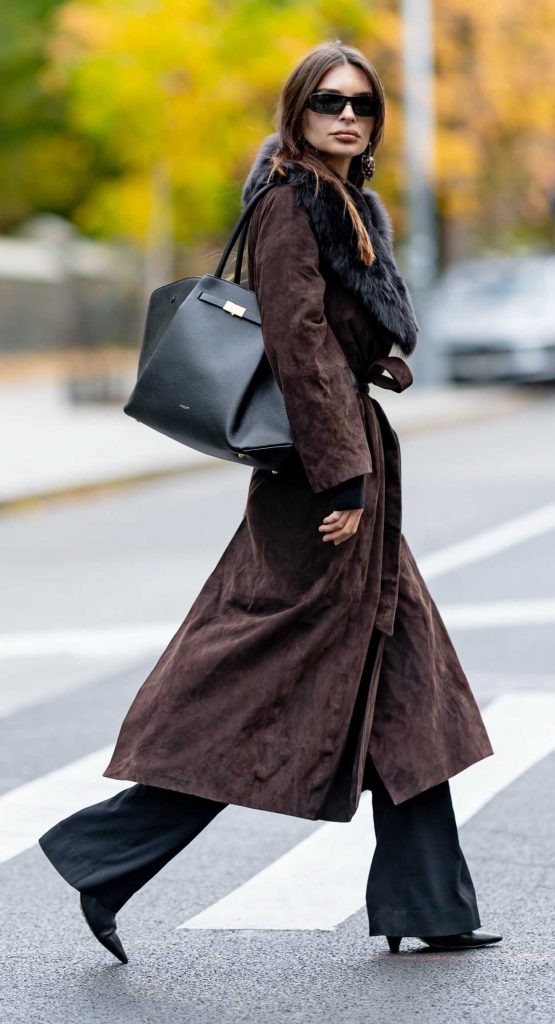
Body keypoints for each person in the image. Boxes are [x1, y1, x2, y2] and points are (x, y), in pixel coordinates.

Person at [39, 40, 502, 964]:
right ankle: (103, 852)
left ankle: (431, 904)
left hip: (352, 474)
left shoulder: (347, 205)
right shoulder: (294, 204)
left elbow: (332, 335)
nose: (346, 116)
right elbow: (294, 345)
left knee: (412, 692)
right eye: (328, 101)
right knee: (256, 685)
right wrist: (343, 478)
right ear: (297, 111)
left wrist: (379, 363)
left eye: (362, 105)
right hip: (320, 489)